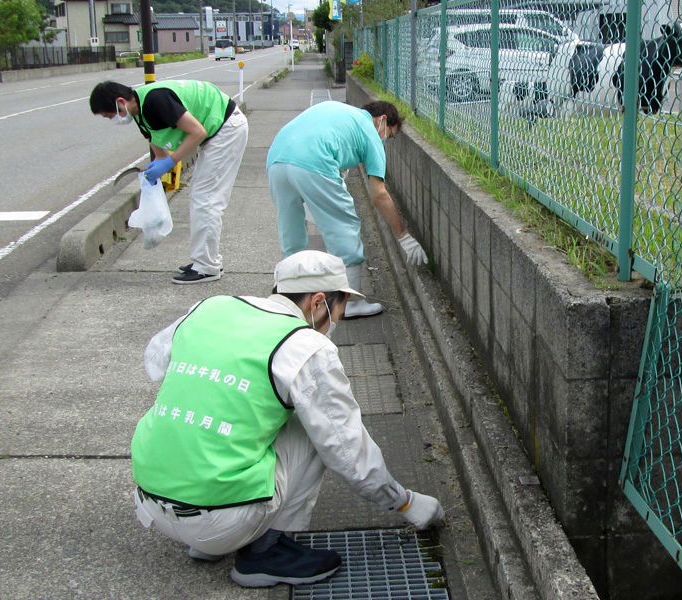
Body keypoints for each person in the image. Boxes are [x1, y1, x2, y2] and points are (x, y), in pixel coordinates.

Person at [131, 250, 445, 588]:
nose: (336, 322)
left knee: (239, 408)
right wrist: (404, 503)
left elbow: (156, 363)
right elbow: (347, 449)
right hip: (223, 519)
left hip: (150, 499)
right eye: (339, 310)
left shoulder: (210, 307)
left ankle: (208, 543)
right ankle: (264, 554)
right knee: (314, 422)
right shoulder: (303, 345)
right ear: (319, 302)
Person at [267, 100, 428, 319]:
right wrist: (404, 237)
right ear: (382, 120)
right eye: (389, 135)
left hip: (277, 158)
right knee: (344, 227)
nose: (385, 140)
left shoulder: (338, 110)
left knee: (291, 230)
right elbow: (379, 195)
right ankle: (350, 304)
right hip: (314, 162)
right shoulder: (371, 134)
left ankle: (289, 298)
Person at [90, 80, 248, 284]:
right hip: (218, 132)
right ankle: (205, 260)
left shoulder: (156, 99)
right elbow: (159, 151)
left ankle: (207, 267)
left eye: (110, 115)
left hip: (226, 128)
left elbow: (198, 132)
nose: (112, 120)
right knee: (201, 196)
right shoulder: (141, 114)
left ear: (120, 101)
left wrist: (170, 162)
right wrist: (153, 173)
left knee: (205, 199)